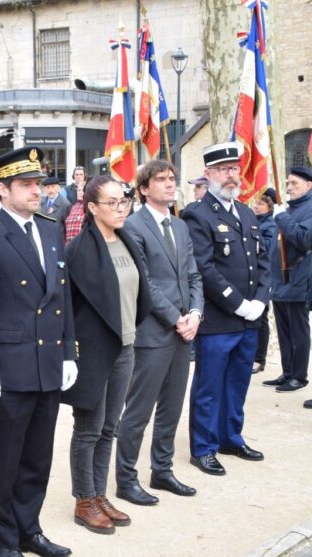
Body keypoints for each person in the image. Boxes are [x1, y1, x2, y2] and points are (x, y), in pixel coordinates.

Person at [0, 146, 75, 557]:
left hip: (47, 360)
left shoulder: (50, 227)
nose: (36, 191)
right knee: (7, 456)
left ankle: (31, 527)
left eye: (39, 184)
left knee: (39, 454)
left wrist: (69, 351)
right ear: (1, 190)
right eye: (26, 185)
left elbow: (62, 295)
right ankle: (4, 537)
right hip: (9, 365)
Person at [63, 175, 150, 533]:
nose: (120, 208)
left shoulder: (127, 240)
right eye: (112, 203)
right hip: (95, 349)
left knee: (109, 427)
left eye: (124, 200)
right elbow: (70, 308)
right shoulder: (80, 250)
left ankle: (99, 494)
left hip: (124, 345)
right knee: (88, 428)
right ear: (92, 208)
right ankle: (84, 499)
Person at [116, 159, 204, 505]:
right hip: (153, 332)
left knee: (172, 405)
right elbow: (144, 282)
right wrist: (175, 318)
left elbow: (193, 275)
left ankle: (162, 469)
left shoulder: (180, 227)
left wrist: (195, 313)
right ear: (143, 189)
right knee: (138, 409)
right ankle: (126, 478)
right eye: (161, 180)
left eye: (172, 179)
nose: (170, 184)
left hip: (184, 331)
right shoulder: (133, 226)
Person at [185, 143, 271, 476]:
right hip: (220, 320)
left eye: (234, 168)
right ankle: (203, 447)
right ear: (208, 175)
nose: (230, 175)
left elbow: (264, 262)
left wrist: (260, 302)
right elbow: (204, 268)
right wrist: (238, 303)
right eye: (222, 169)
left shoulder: (247, 213)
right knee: (209, 386)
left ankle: (230, 437)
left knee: (237, 383)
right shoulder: (198, 213)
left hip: (249, 320)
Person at [267, 166, 312, 393]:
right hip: (281, 279)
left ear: (308, 185)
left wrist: (281, 217)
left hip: (299, 276)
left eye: (294, 184)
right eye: (288, 183)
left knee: (298, 331)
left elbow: (304, 238)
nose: (289, 188)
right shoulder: (290, 208)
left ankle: (299, 375)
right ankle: (287, 371)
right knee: (283, 330)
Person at [251, 188, 278, 375]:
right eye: (256, 203)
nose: (256, 206)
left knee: (261, 318)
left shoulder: (270, 225)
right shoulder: (254, 221)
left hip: (264, 275)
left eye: (260, 203)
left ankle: (259, 359)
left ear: (269, 206)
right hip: (251, 276)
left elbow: (267, 248)